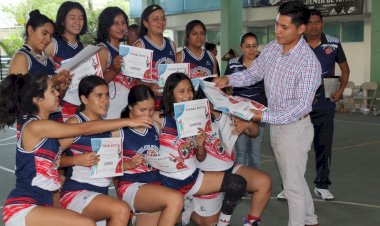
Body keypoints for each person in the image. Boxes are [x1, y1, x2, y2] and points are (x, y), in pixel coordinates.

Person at [214, 2, 322, 226]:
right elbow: (253, 73)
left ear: (300, 29)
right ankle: (311, 220)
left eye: (284, 27)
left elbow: (301, 107)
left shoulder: (309, 63)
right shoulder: (273, 48)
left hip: (295, 128)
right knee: (295, 179)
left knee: (291, 187)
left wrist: (261, 116)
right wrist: (229, 79)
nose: (277, 31)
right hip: (277, 126)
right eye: (277, 25)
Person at [0, 73, 153, 226]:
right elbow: (83, 128)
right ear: (38, 100)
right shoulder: (35, 126)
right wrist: (128, 121)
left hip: (43, 203)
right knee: (86, 223)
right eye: (53, 91)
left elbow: (53, 163)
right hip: (24, 206)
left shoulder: (46, 128)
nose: (58, 93)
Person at [154, 73, 247, 226]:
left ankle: (220, 223)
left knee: (237, 184)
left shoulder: (196, 117)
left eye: (190, 90)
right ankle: (183, 209)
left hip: (193, 178)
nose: (188, 95)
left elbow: (200, 158)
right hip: (167, 182)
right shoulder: (160, 117)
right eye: (181, 91)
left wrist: (201, 145)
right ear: (170, 94)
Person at [59, 76, 140, 226]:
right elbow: (48, 158)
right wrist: (75, 160)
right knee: (121, 209)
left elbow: (108, 165)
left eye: (107, 95)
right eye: (99, 96)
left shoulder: (109, 127)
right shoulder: (75, 123)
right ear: (84, 99)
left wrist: (128, 165)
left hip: (100, 194)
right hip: (76, 192)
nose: (105, 100)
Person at [184, 86, 271, 226]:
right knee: (209, 223)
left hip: (230, 169)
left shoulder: (231, 112)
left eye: (224, 93)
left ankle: (251, 223)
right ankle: (185, 208)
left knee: (264, 182)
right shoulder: (193, 116)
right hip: (207, 176)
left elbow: (254, 132)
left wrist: (247, 123)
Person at [117, 84, 183, 226]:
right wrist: (128, 164)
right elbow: (103, 165)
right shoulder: (119, 131)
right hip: (132, 185)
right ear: (130, 107)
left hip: (155, 184)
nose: (147, 114)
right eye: (142, 110)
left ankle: (137, 218)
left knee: (177, 217)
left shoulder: (155, 126)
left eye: (151, 109)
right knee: (175, 200)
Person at [305, 8, 350, 200]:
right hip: (301, 106)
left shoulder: (333, 42)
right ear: (304, 25)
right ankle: (290, 186)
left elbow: (345, 69)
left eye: (317, 21)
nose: (314, 25)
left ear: (322, 23)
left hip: (325, 104)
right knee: (296, 148)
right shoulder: (297, 43)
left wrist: (339, 90)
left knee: (323, 146)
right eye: (310, 22)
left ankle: (322, 185)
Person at [224, 32, 267, 169]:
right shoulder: (232, 64)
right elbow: (225, 87)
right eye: (247, 46)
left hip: (258, 114)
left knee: (254, 153)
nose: (251, 50)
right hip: (238, 115)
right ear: (241, 47)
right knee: (241, 153)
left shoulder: (264, 63)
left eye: (254, 46)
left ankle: (256, 187)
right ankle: (241, 186)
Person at [8, 10, 70, 102]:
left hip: (52, 115)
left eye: (51, 35)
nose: (48, 39)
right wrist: (52, 82)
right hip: (33, 116)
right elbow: (19, 95)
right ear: (30, 30)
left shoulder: (48, 58)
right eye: (44, 33)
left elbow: (54, 98)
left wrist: (62, 88)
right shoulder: (21, 58)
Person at [45, 1, 88, 121]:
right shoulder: (53, 44)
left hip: (80, 105)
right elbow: (39, 71)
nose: (77, 22)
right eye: (72, 18)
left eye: (81, 18)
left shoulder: (84, 48)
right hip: (59, 105)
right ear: (63, 20)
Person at [97, 7, 136, 119]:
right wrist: (114, 70)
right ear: (106, 26)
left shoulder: (126, 50)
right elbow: (95, 86)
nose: (121, 27)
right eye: (115, 23)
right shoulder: (102, 50)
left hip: (128, 111)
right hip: (110, 113)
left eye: (123, 23)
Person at [134, 4, 177, 108]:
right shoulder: (140, 45)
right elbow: (133, 80)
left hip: (168, 102)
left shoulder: (171, 44)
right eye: (155, 19)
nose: (161, 22)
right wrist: (149, 86)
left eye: (163, 19)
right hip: (148, 103)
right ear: (145, 23)